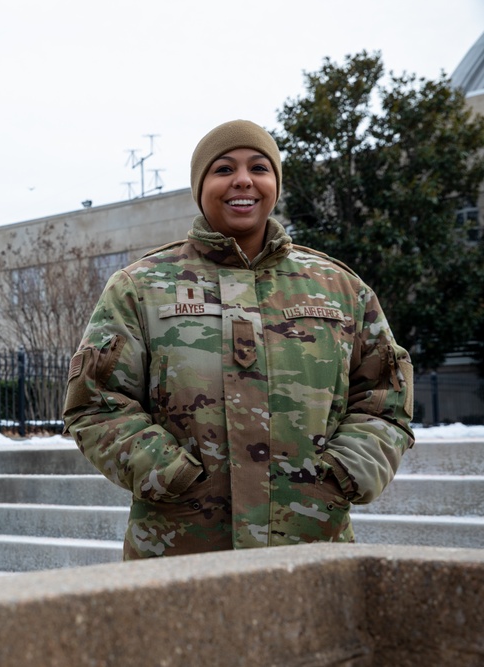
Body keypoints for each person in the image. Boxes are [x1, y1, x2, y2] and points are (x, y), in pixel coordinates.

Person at [62, 119, 414, 559]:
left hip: (311, 545)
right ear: (201, 185)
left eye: (259, 167)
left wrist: (343, 471)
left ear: (275, 184)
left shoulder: (338, 287)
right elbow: (96, 403)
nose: (243, 180)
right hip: (178, 551)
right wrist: (170, 474)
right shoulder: (141, 286)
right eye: (224, 168)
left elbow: (385, 400)